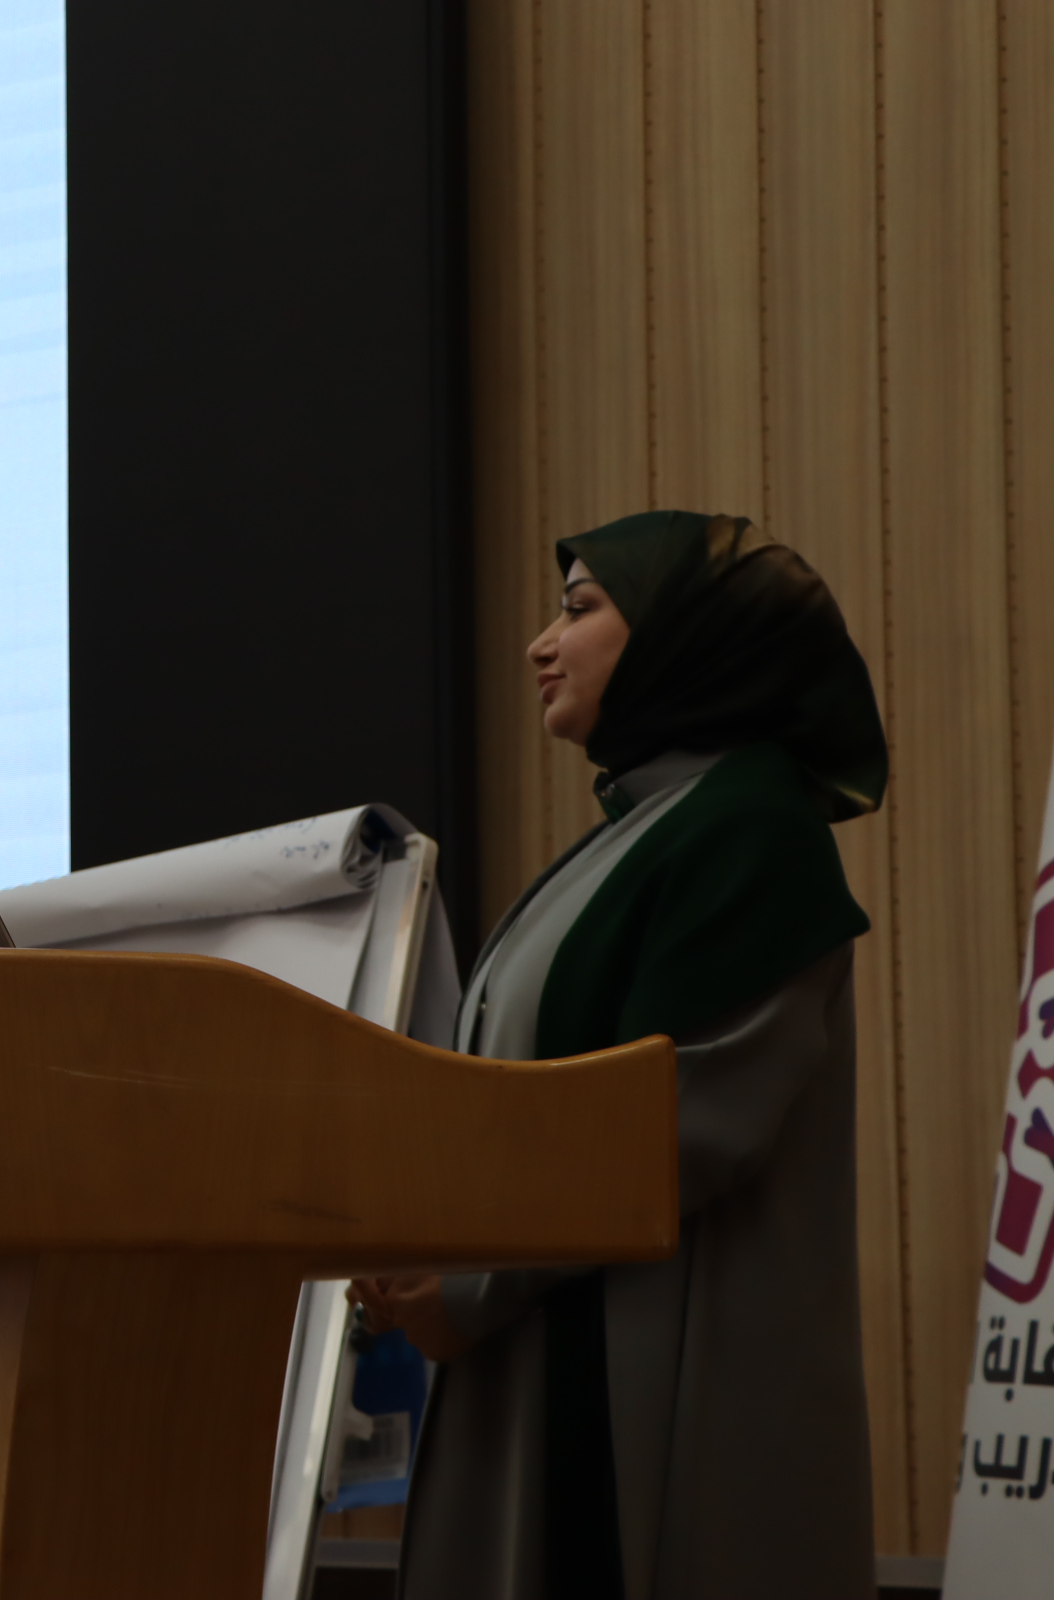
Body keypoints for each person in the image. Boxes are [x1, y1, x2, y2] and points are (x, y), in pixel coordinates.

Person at [353, 511, 886, 1600]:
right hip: (541, 1344)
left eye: (580, 608)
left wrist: (468, 1277)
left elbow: (673, 1124)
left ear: (684, 634)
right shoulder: (642, 829)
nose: (541, 644)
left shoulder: (748, 829)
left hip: (656, 1390)